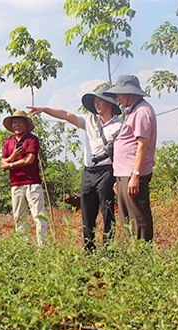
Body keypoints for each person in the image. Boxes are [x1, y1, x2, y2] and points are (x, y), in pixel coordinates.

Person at [29, 87, 123, 252]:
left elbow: (121, 154)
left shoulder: (119, 126)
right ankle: (89, 249)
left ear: (109, 103)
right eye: (95, 101)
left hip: (107, 171)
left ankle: (108, 250)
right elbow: (66, 115)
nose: (97, 103)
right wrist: (44, 109)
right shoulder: (89, 121)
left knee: (107, 212)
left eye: (100, 100)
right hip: (88, 172)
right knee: (87, 212)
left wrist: (117, 179)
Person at [103, 75, 157, 241]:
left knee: (138, 218)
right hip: (125, 173)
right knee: (127, 219)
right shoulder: (133, 112)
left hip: (133, 174)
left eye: (120, 94)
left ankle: (142, 257)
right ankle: (134, 256)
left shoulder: (142, 112)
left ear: (130, 93)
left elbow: (142, 145)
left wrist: (135, 175)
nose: (118, 98)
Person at [1, 109, 48, 246]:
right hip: (16, 184)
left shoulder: (32, 140)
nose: (17, 125)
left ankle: (42, 248)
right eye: (14, 122)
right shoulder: (8, 142)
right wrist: (13, 157)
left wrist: (10, 164)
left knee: (39, 216)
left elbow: (29, 160)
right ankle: (24, 247)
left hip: (32, 183)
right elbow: (2, 163)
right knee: (19, 217)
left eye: (19, 122)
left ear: (25, 124)